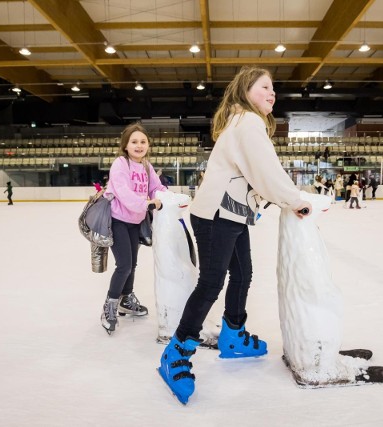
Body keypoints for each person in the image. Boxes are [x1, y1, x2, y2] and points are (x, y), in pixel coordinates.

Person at [157, 66, 313, 405]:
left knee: (243, 274)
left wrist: (285, 197)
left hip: (231, 212)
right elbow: (267, 173)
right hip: (216, 214)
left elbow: (260, 175)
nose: (272, 94)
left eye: (274, 89)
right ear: (245, 91)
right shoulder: (248, 123)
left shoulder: (245, 122)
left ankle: (233, 335)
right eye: (265, 87)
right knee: (212, 283)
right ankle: (176, 352)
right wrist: (295, 200)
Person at [100, 122, 166, 335]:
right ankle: (110, 304)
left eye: (143, 141)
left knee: (133, 264)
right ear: (125, 145)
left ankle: (126, 299)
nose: (139, 145)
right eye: (134, 142)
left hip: (136, 222)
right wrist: (146, 203)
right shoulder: (121, 164)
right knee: (124, 265)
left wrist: (168, 197)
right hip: (118, 220)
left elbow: (157, 187)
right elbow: (123, 192)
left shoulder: (146, 166)